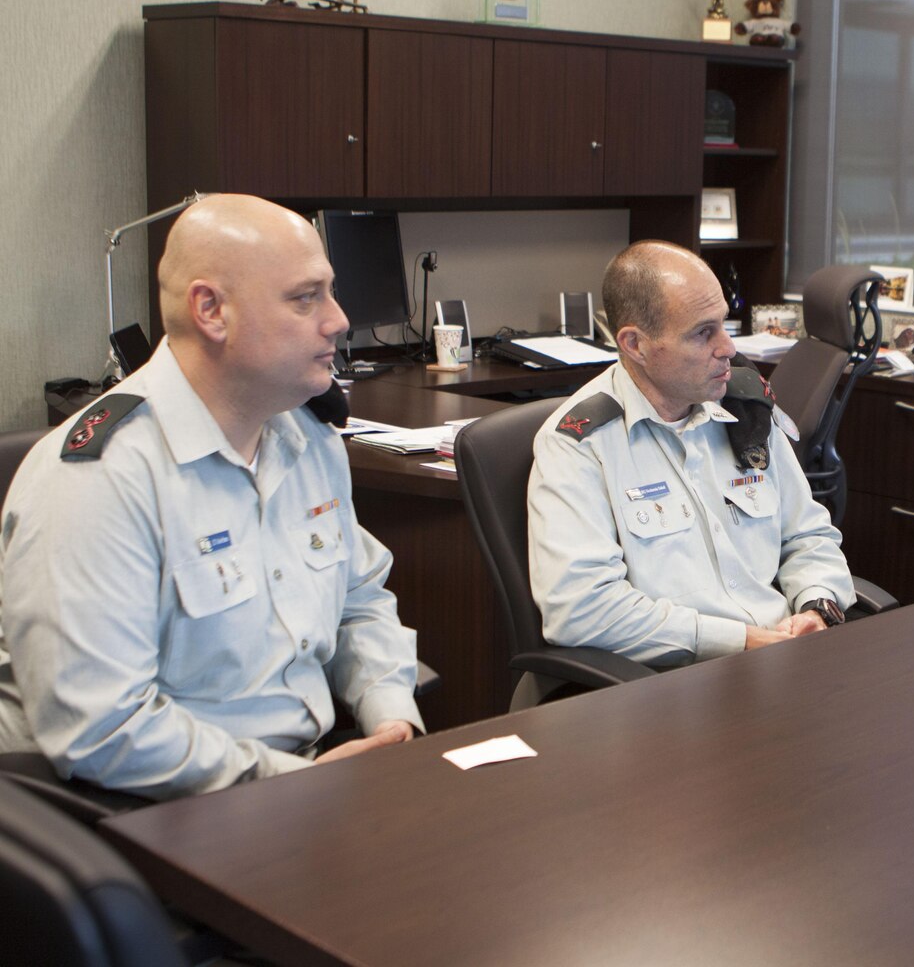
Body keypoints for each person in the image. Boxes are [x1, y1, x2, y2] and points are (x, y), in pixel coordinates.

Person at [0, 194, 423, 801]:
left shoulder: (306, 435)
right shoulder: (99, 479)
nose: (337, 320)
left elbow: (358, 601)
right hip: (144, 810)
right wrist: (298, 786)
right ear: (211, 310)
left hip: (302, 785)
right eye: (306, 298)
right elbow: (103, 729)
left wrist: (389, 717)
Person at [528, 240, 855, 667]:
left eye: (723, 324)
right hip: (678, 684)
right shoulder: (582, 444)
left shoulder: (746, 409)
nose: (729, 348)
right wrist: (739, 640)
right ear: (635, 344)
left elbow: (807, 536)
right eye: (704, 333)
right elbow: (580, 610)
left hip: (783, 660)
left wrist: (816, 605)